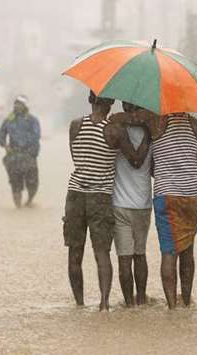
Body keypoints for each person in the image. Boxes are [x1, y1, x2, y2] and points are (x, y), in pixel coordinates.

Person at [63, 91, 145, 311]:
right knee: (102, 253)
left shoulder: (75, 125)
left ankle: (79, 305)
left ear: (90, 100)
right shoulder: (114, 130)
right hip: (101, 196)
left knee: (74, 252)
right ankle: (104, 304)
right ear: (111, 103)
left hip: (75, 194)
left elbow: (76, 157)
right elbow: (136, 160)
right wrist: (147, 131)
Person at [143, 111, 197, 309]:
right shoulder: (196, 125)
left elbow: (150, 165)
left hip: (167, 195)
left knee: (169, 252)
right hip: (191, 194)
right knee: (187, 250)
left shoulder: (156, 124)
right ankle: (186, 302)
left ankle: (171, 307)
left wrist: (164, 171)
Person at [110, 102, 152, 307]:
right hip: (143, 203)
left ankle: (128, 305)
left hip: (119, 203)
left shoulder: (117, 128)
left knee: (124, 258)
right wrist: (147, 136)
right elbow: (152, 169)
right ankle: (142, 301)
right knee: (140, 255)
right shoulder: (152, 130)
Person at [0, 95, 41, 208]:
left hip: (29, 155)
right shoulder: (8, 120)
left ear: (25, 106)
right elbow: (1, 136)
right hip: (13, 156)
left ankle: (29, 201)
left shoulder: (32, 120)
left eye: (20, 104)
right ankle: (18, 207)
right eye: (16, 104)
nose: (17, 106)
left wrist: (31, 152)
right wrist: (5, 146)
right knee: (15, 183)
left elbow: (36, 136)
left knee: (33, 183)